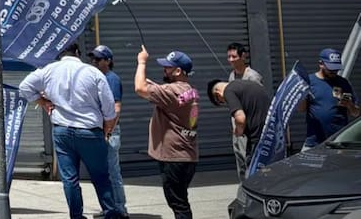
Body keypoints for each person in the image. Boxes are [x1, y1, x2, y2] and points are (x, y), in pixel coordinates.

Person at [19, 44, 120, 219]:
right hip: (90, 132)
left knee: (70, 180)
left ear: (59, 54)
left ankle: (76, 216)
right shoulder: (93, 73)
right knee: (101, 177)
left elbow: (24, 87)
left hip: (62, 132)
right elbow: (109, 108)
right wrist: (107, 129)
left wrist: (43, 102)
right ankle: (111, 213)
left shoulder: (48, 70)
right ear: (78, 53)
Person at [134, 46, 198, 219]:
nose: (164, 69)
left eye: (168, 67)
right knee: (180, 200)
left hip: (174, 157)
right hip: (186, 156)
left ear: (178, 71)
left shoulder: (172, 92)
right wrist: (156, 86)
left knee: (178, 204)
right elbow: (173, 101)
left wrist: (141, 61)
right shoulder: (187, 90)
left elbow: (139, 88)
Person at [88, 45, 129, 219]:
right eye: (93, 59)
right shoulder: (99, 77)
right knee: (104, 172)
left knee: (113, 171)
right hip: (102, 131)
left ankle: (120, 208)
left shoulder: (111, 79)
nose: (94, 62)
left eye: (98, 59)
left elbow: (116, 107)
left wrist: (109, 130)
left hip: (109, 132)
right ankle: (110, 208)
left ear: (108, 61)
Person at [206, 78, 270, 175]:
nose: (225, 102)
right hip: (271, 134)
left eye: (221, 102)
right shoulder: (247, 84)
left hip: (257, 139)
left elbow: (240, 118)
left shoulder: (229, 91)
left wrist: (238, 131)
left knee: (254, 176)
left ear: (217, 94)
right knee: (270, 172)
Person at [299, 48, 360, 150]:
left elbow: (356, 113)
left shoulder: (344, 83)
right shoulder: (309, 82)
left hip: (338, 142)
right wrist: (303, 95)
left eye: (336, 69)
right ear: (321, 64)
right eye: (330, 68)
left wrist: (350, 105)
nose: (333, 71)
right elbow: (301, 109)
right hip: (314, 142)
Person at [224, 42, 263, 179]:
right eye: (228, 57)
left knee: (250, 163)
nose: (231, 60)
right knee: (240, 162)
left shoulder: (253, 77)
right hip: (237, 128)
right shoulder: (232, 76)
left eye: (234, 56)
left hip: (250, 129)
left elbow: (259, 102)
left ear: (243, 56)